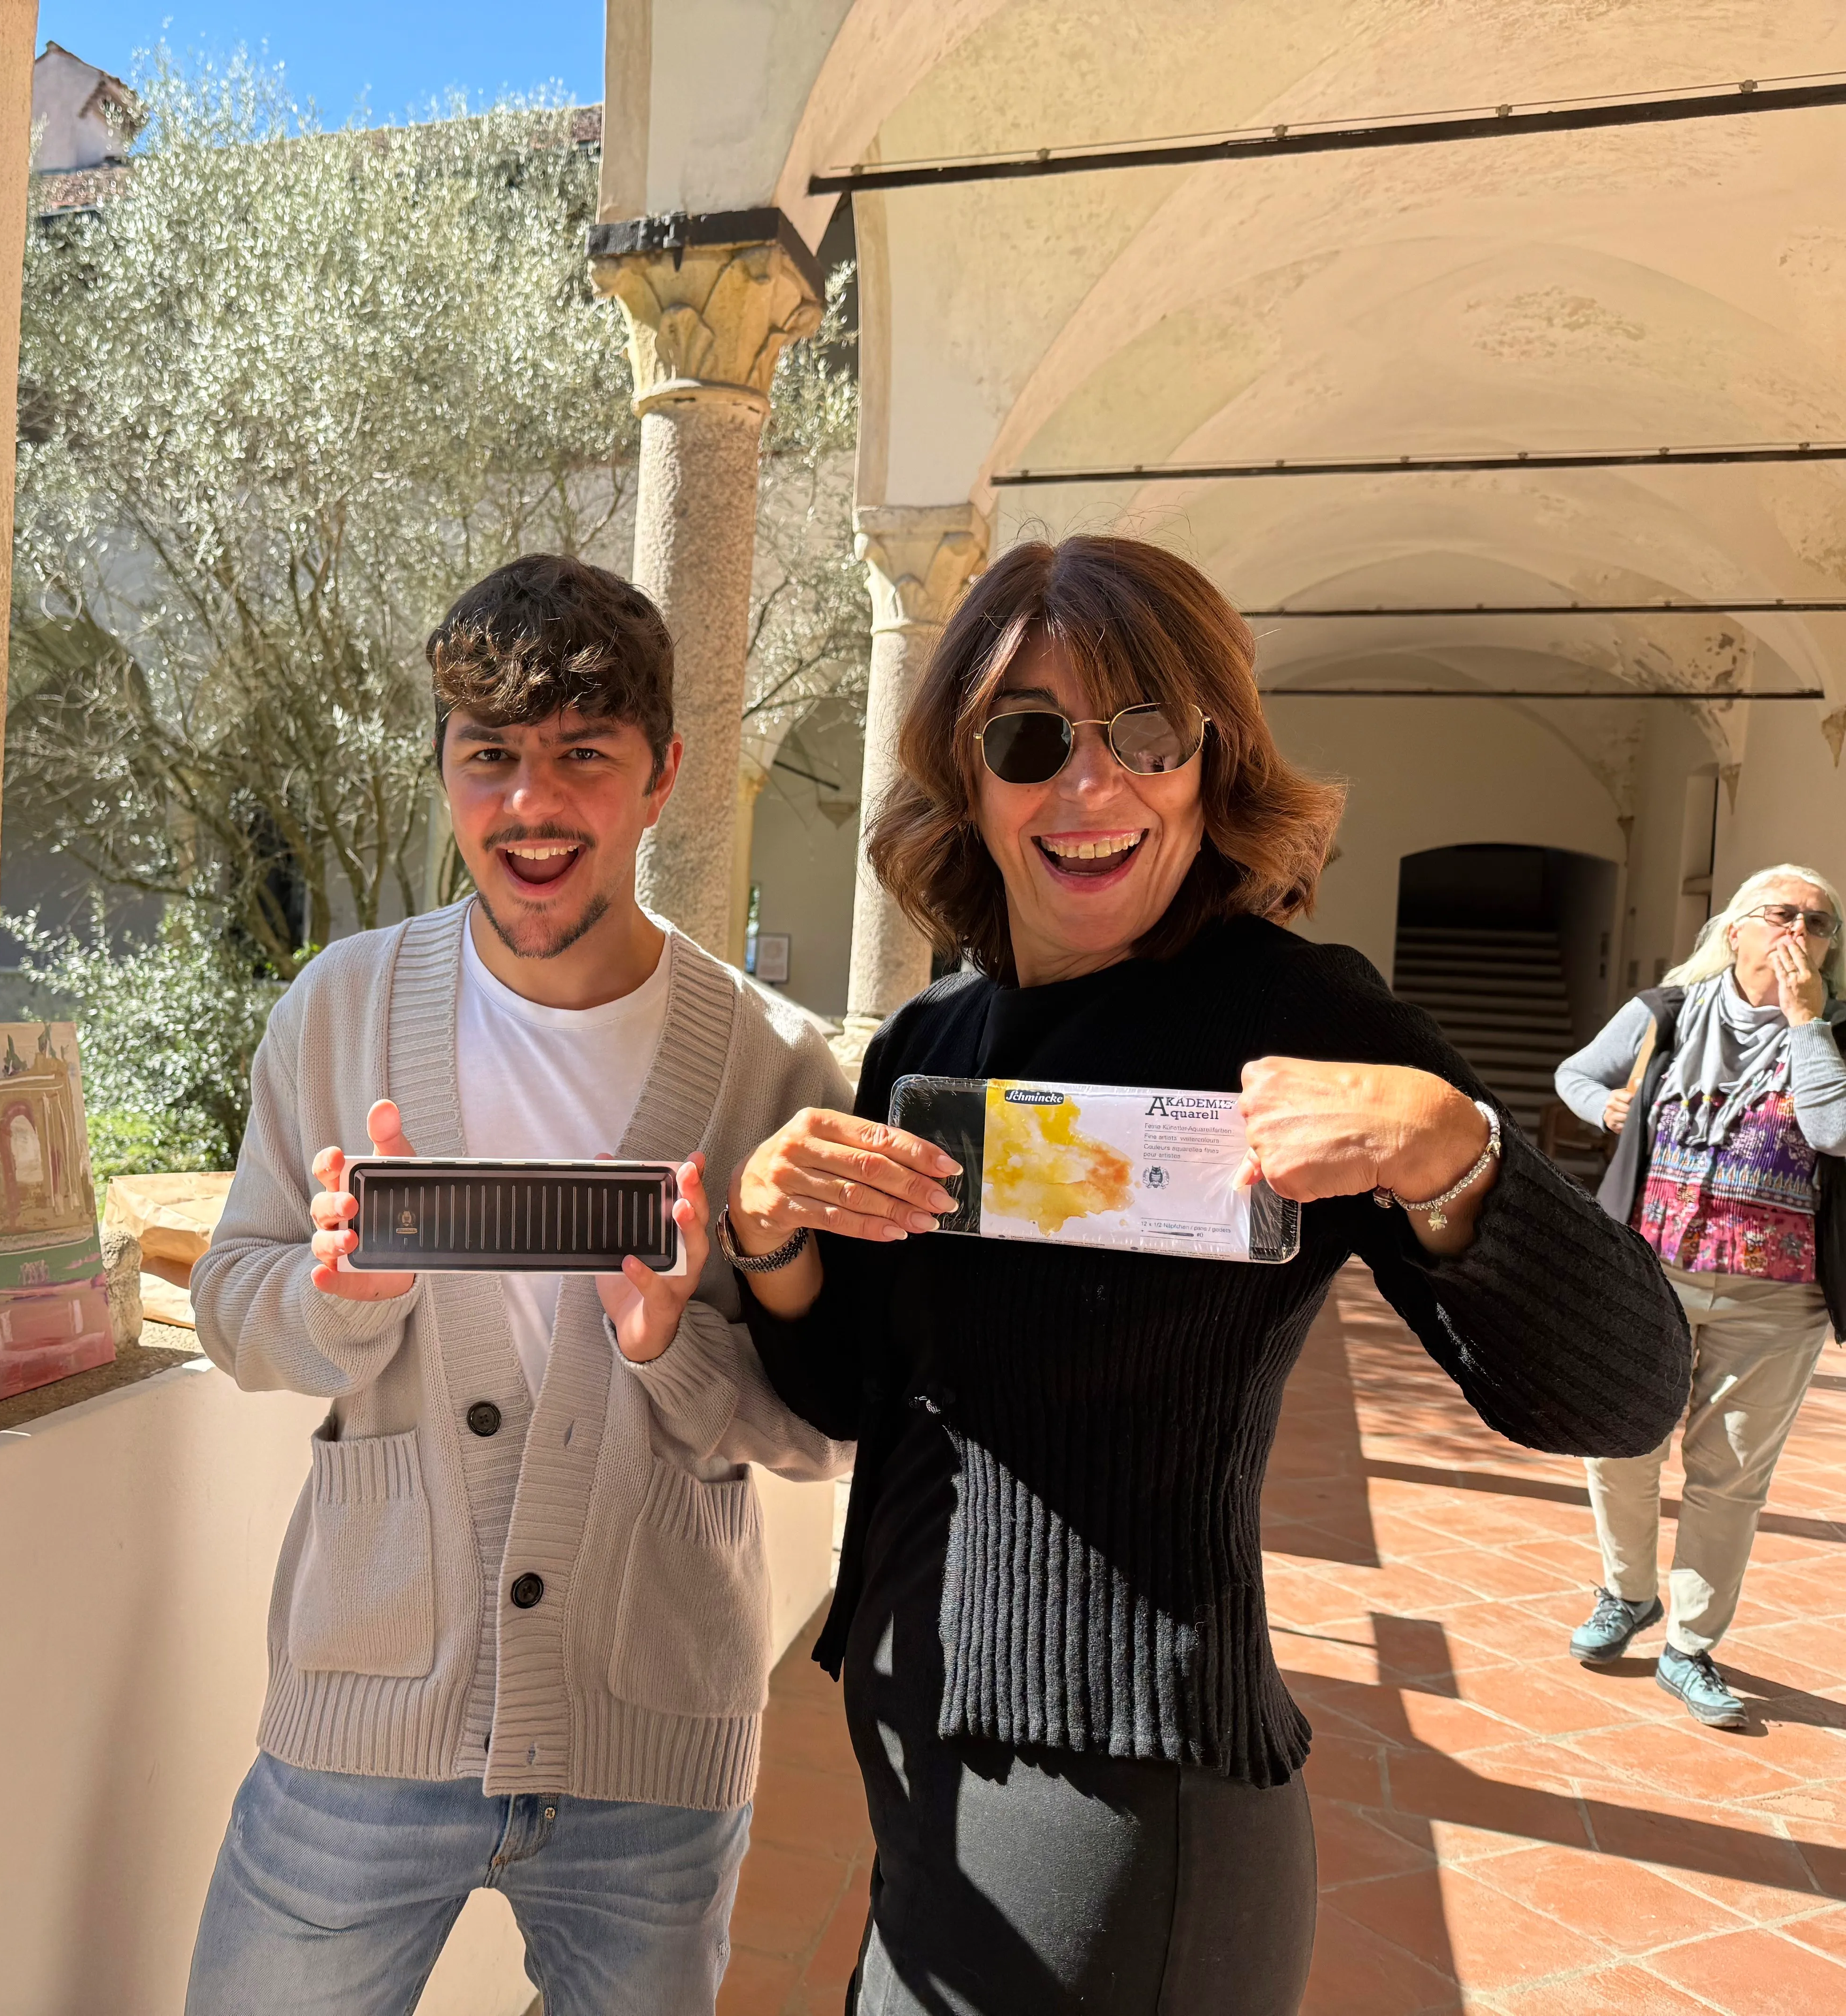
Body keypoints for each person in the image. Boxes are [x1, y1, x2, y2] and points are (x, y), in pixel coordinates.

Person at [719, 536, 1691, 2016]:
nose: (1088, 786)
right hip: (922, 1751)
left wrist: (1456, 1157)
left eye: (1147, 734)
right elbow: (864, 1396)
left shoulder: (1295, 1014)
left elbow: (1630, 1391)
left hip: (1113, 1800)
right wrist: (774, 1242)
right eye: (1030, 739)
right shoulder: (935, 1043)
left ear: (1213, 761)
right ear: (968, 782)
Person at [182, 553, 854, 2016]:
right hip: (362, 1720)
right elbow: (231, 1300)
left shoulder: (778, 1066)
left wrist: (676, 1348)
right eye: (490, 757)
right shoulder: (339, 1010)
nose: (531, 805)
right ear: (442, 768)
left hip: (654, 1742)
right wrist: (340, 1299)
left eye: (583, 758)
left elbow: (830, 1429)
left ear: (663, 775)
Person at [1553, 865, 1846, 1726]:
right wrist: (1610, 1107)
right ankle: (1627, 1592)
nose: (1801, 931)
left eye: (1821, 923)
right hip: (1651, 1271)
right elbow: (1576, 1075)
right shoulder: (1666, 1015)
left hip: (1778, 1300)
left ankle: (1690, 1645)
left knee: (1729, 1478)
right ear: (1736, 930)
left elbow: (1833, 1129)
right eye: (1783, 914)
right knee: (1618, 1438)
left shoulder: (1834, 1034)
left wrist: (1804, 1024)